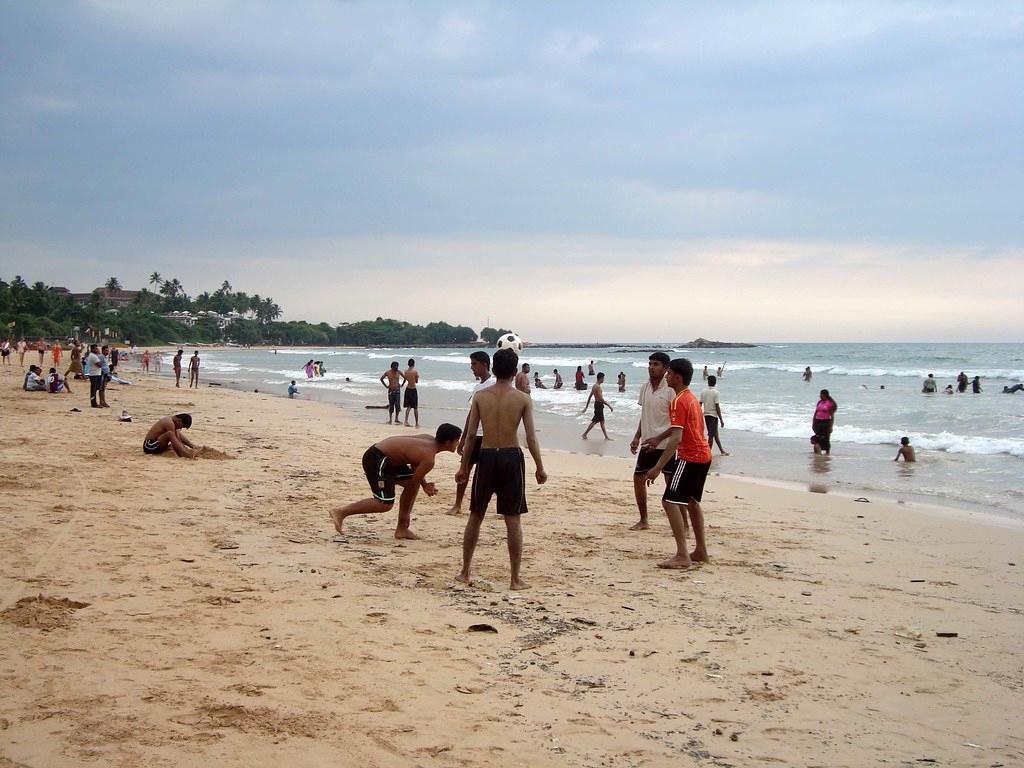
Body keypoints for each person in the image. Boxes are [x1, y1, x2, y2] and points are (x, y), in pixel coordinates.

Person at [455, 348, 546, 590]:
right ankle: (515, 579)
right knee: (513, 519)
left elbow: (472, 434)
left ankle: (465, 571)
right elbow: (530, 437)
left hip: (486, 456)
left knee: (476, 515)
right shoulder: (523, 399)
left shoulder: (481, 397)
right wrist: (539, 466)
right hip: (511, 457)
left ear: (493, 370)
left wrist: (464, 466)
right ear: (515, 372)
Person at [330, 423, 462, 540]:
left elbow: (415, 467)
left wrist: (424, 484)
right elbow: (413, 483)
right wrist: (424, 486)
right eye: (457, 441)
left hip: (389, 459)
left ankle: (402, 529)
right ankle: (340, 512)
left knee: (412, 484)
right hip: (377, 459)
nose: (458, 443)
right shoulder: (429, 458)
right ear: (448, 442)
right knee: (384, 504)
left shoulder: (427, 439)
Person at [642, 358, 713, 569]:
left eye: (670, 373)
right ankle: (701, 550)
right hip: (704, 455)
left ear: (678, 377)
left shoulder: (679, 401)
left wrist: (657, 467)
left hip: (690, 456)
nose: (666, 376)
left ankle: (682, 554)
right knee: (691, 501)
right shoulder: (691, 398)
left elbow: (676, 438)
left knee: (670, 501)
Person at [629, 352, 673, 531]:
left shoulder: (671, 390)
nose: (651, 367)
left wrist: (659, 438)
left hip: (667, 445)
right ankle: (644, 519)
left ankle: (683, 524)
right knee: (638, 478)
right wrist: (637, 436)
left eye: (656, 364)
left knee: (671, 483)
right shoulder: (645, 387)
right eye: (650, 364)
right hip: (647, 443)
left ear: (665, 369)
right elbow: (644, 415)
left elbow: (678, 424)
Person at [449, 350, 494, 516]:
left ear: (483, 364)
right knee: (465, 468)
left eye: (474, 364)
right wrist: (463, 438)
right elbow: (471, 414)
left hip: (487, 436)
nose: (472, 368)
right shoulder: (478, 387)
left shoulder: (493, 385)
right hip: (475, 435)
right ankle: (457, 504)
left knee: (491, 473)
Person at [699, 375, 729, 455]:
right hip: (713, 416)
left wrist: (698, 415)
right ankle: (708, 453)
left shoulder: (703, 391)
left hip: (706, 415)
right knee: (711, 435)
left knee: (715, 434)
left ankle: (722, 451)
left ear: (708, 382)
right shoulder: (716, 392)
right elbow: (717, 406)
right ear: (715, 383)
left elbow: (700, 404)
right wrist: (721, 419)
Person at [581, 372, 614, 440]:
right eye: (603, 378)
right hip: (599, 405)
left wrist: (586, 407)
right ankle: (584, 434)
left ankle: (606, 437)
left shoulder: (594, 386)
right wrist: (609, 406)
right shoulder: (598, 387)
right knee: (595, 421)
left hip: (597, 404)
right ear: (601, 378)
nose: (603, 380)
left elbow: (590, 396)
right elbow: (601, 399)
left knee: (602, 421)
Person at [812, 389, 837, 454]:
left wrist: (831, 426)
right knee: (816, 439)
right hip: (818, 422)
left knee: (826, 439)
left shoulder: (829, 403)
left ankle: (827, 453)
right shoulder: (819, 402)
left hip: (826, 423)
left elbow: (832, 416)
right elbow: (815, 413)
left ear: (825, 395)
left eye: (821, 395)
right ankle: (817, 454)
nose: (820, 396)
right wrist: (813, 423)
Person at [403, 358, 420, 427]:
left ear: (408, 364)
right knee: (415, 407)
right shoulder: (415, 372)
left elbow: (405, 379)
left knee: (409, 406)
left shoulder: (405, 371)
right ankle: (416, 423)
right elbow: (416, 381)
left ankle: (406, 421)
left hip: (408, 389)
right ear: (413, 364)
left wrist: (402, 384)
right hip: (413, 389)